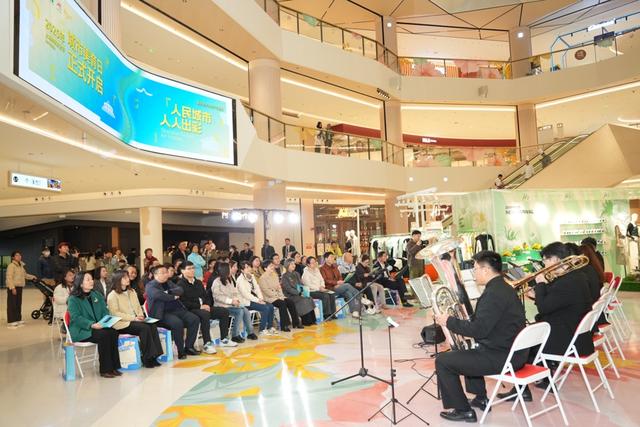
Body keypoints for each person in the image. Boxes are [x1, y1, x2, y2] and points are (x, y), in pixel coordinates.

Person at [434, 251, 526, 422]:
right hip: (513, 352)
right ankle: (481, 398)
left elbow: (479, 330)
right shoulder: (505, 288)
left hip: (502, 357)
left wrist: (449, 321)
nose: (473, 273)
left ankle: (463, 410)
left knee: (443, 361)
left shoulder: (493, 294)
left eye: (475, 269)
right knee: (469, 348)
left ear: (485, 270)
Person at [67, 271, 122, 378]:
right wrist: (91, 324)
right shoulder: (73, 299)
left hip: (98, 327)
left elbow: (104, 311)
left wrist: (106, 321)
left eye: (91, 279)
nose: (91, 281)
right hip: (82, 330)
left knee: (113, 332)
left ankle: (114, 367)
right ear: (80, 283)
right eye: (88, 279)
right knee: (104, 335)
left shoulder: (96, 295)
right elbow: (76, 318)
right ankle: (105, 370)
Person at [107, 271, 164, 368]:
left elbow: (138, 306)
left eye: (127, 277)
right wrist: (134, 318)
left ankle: (155, 356)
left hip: (136, 320)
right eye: (124, 278)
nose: (128, 279)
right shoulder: (112, 295)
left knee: (152, 325)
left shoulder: (132, 291)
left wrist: (140, 316)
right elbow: (115, 313)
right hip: (122, 323)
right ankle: (147, 358)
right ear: (118, 280)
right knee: (144, 328)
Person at [177, 262, 236, 353]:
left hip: (204, 307)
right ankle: (207, 344)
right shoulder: (180, 284)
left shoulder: (198, 282)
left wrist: (207, 304)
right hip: (191, 309)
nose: (192, 270)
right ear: (182, 271)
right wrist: (200, 306)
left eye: (193, 268)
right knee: (205, 314)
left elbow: (206, 296)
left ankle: (224, 339)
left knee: (224, 311)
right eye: (189, 269)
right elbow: (184, 302)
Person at [145, 265, 201, 359]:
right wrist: (173, 297)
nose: (166, 274)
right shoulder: (150, 285)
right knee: (177, 323)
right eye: (163, 273)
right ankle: (180, 351)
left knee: (194, 319)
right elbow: (158, 295)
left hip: (177, 310)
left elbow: (180, 290)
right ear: (155, 275)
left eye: (166, 272)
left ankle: (189, 347)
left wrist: (168, 292)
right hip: (162, 313)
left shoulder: (169, 282)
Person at [212, 262, 257, 343]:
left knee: (245, 310)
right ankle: (235, 335)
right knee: (240, 311)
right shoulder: (217, 282)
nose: (231, 270)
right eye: (230, 268)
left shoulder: (229, 280)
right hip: (221, 306)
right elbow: (217, 296)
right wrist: (231, 301)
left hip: (232, 305)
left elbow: (234, 292)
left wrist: (236, 300)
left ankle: (250, 332)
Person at [258, 261, 302, 331]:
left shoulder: (275, 275)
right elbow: (266, 291)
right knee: (282, 304)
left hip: (278, 296)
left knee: (290, 302)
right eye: (270, 266)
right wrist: (277, 296)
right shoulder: (262, 278)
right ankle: (285, 325)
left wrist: (281, 296)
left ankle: (296, 323)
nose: (272, 267)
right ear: (265, 268)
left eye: (272, 266)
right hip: (269, 298)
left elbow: (279, 288)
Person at [237, 261, 276, 336]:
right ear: (242, 270)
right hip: (246, 302)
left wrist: (260, 298)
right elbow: (246, 295)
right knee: (265, 308)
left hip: (254, 299)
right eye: (246, 267)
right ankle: (262, 329)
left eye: (249, 267)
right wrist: (258, 300)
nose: (249, 269)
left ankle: (270, 327)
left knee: (270, 306)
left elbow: (257, 288)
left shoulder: (252, 276)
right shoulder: (240, 279)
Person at [320, 253, 361, 318]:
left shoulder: (335, 267)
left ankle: (354, 312)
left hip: (338, 287)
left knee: (348, 293)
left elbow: (340, 277)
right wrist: (336, 283)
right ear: (326, 259)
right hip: (330, 288)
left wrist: (340, 283)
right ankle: (360, 296)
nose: (333, 258)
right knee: (347, 285)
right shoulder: (322, 269)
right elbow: (325, 280)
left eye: (333, 257)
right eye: (331, 257)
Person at [281, 259, 317, 326]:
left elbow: (301, 284)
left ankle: (312, 320)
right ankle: (306, 321)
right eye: (291, 264)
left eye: (294, 264)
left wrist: (304, 292)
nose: (294, 265)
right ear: (287, 265)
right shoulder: (284, 276)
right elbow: (288, 289)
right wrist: (299, 293)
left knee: (309, 298)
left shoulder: (296, 274)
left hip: (300, 293)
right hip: (291, 295)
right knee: (303, 300)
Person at [6, 251, 37, 328]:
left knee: (18, 304)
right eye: (17, 255)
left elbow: (25, 275)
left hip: (20, 287)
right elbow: (9, 277)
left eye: (20, 255)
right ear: (13, 257)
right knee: (12, 304)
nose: (19, 256)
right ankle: (11, 321)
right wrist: (12, 288)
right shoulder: (11, 266)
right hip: (13, 287)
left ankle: (18, 319)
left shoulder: (21, 266)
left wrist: (33, 277)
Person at [302, 256, 337, 320]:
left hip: (320, 289)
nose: (314, 264)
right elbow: (308, 285)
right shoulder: (305, 273)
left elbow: (322, 280)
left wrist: (322, 286)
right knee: (325, 296)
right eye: (312, 263)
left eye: (315, 262)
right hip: (312, 291)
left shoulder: (317, 270)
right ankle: (326, 314)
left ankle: (333, 313)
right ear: (308, 264)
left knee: (331, 294)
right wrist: (319, 288)